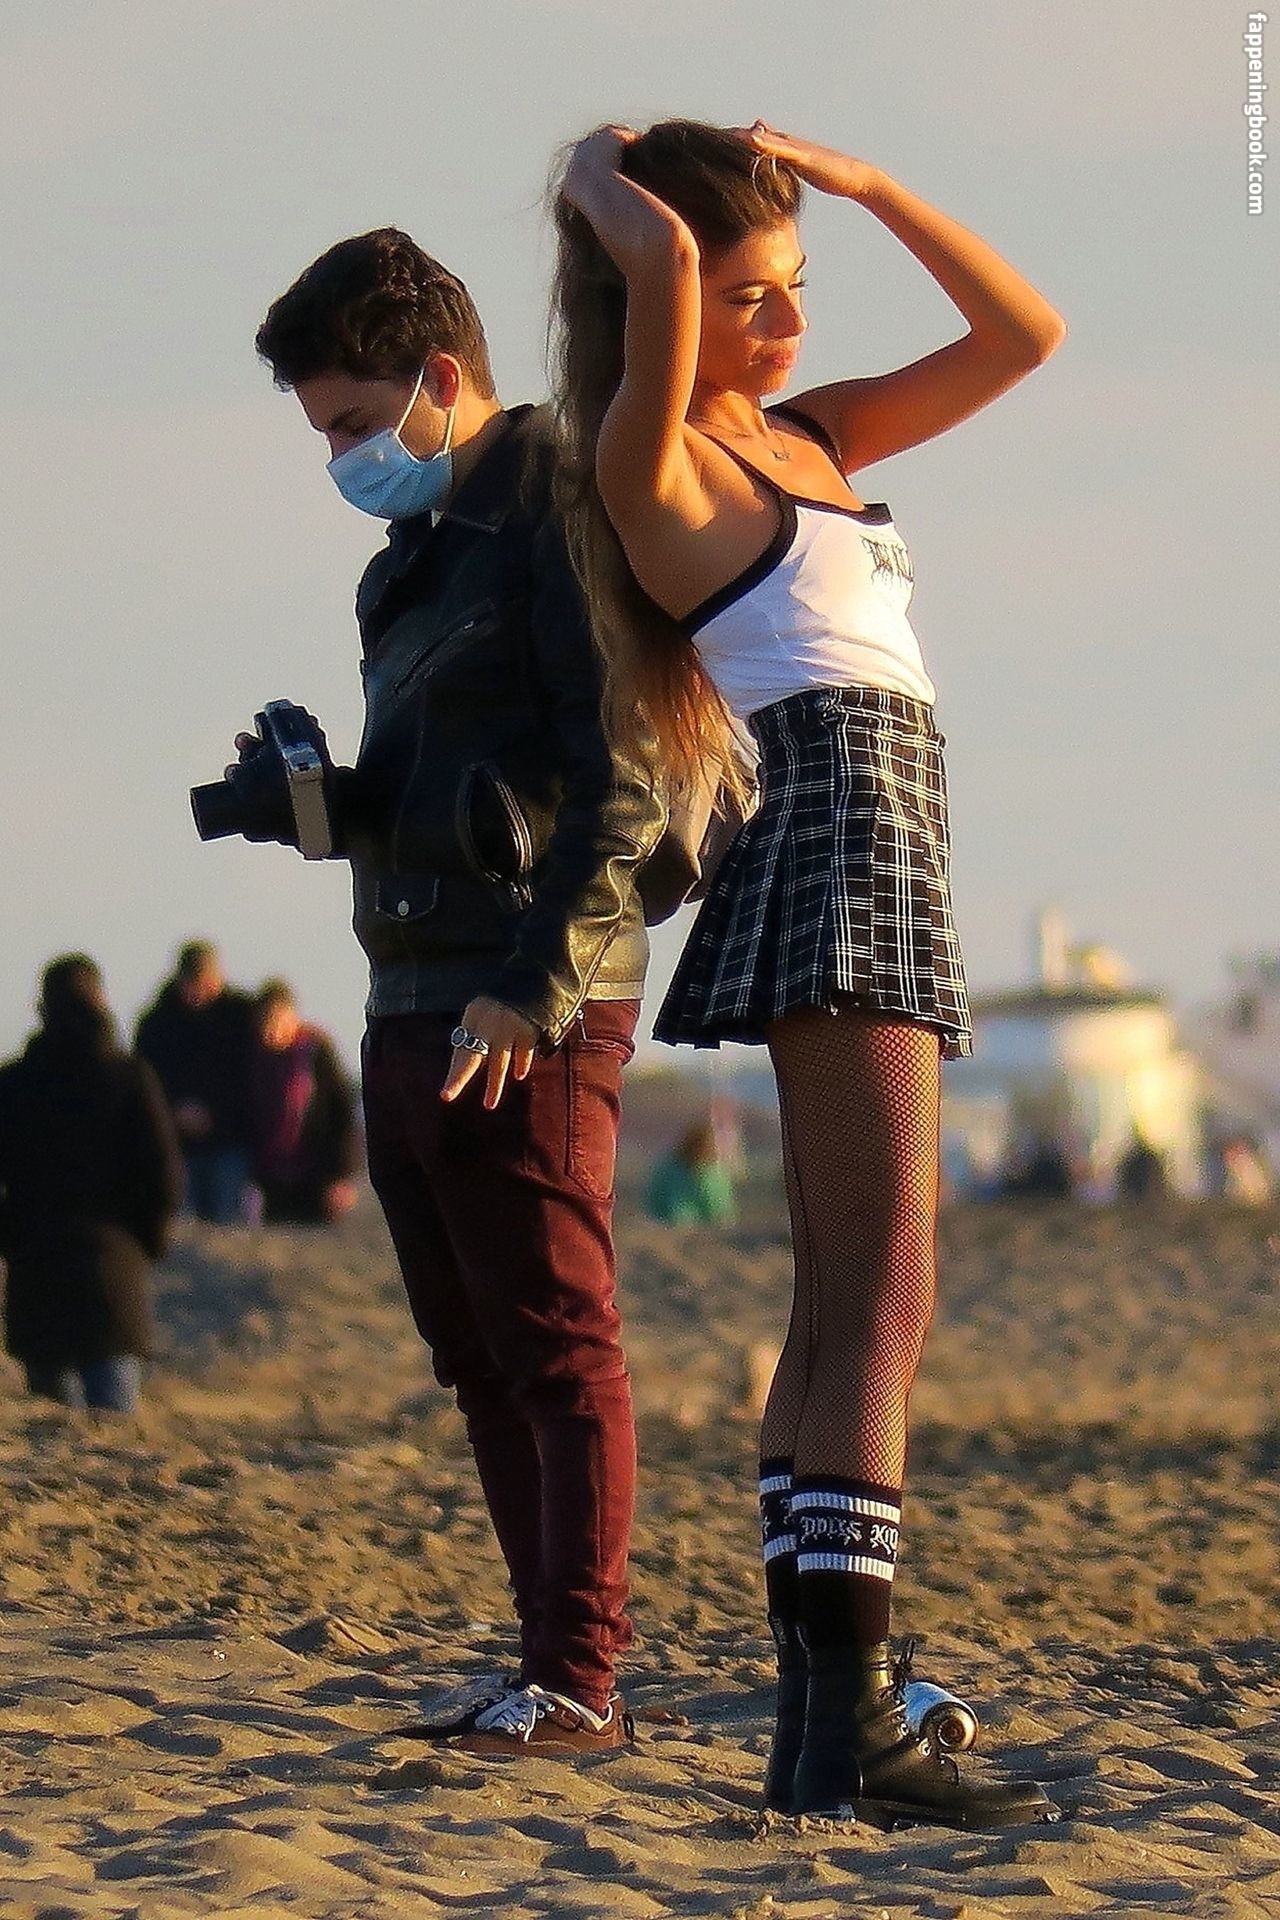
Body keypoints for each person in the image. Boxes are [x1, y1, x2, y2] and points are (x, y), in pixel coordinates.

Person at [553, 118, 1066, 1826]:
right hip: (839, 832)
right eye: (748, 296)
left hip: (884, 833)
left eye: (797, 287)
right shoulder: (654, 460)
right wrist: (595, 175)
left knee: (848, 1292)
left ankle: (819, 1718)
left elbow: (1023, 335)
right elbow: (651, 257)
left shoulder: (814, 436)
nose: (784, 323)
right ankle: (854, 1718)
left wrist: (870, 185)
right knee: (888, 1291)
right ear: (663, 296)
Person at [234, 228, 667, 1751]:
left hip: (520, 1002)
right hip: (410, 988)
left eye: (356, 422)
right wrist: (312, 805)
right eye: (324, 435)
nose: (343, 460)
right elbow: (452, 781)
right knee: (478, 1357)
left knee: (556, 1341)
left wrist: (535, 988)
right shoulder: (407, 564)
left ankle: (581, 1678)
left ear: (439, 375)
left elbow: (626, 776)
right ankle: (545, 1663)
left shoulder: (557, 510)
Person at [0, 956, 183, 1412]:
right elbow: (164, 1176)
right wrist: (146, 1242)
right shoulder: (129, 1077)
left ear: (41, 1007)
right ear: (101, 1001)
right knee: (115, 1430)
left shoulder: (15, 1083)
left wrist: (11, 1238)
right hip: (113, 1267)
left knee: (50, 1431)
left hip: (37, 1270)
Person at [135, 941, 258, 1224]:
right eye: (191, 983)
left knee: (230, 1226)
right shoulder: (156, 1023)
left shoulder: (242, 1017)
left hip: (231, 1141)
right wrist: (175, 1110)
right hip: (176, 1145)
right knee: (182, 1227)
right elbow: (144, 1079)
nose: (197, 991)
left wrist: (215, 1111)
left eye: (204, 982)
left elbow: (253, 1078)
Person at [250, 980, 360, 1225]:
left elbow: (342, 1116)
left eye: (276, 1021)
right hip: (267, 1177)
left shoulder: (316, 1052)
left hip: (316, 1176)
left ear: (292, 1016)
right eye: (264, 1023)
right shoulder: (254, 1059)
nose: (270, 1031)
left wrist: (342, 1176)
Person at [645, 1117, 737, 1225]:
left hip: (706, 1229)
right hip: (670, 1226)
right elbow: (657, 1202)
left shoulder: (714, 1175)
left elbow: (721, 1211)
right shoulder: (670, 1170)